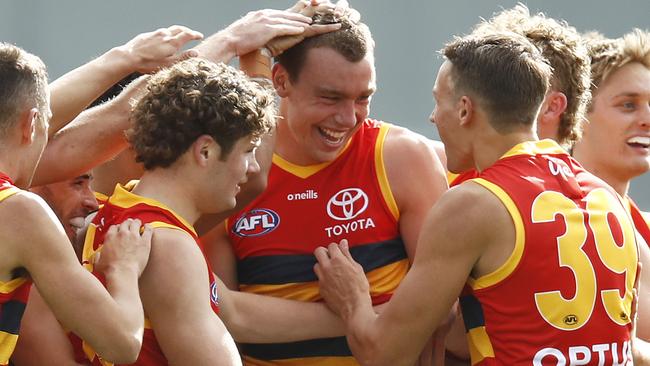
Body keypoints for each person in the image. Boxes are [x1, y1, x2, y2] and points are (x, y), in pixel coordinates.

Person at [314, 31, 644, 365]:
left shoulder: (475, 203)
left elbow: (384, 354)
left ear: (463, 110)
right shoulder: (607, 197)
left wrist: (353, 299)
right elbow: (622, 341)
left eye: (437, 101)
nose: (432, 116)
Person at [206, 9, 448, 365]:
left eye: (363, 98)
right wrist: (355, 311)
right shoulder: (231, 173)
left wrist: (359, 310)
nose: (348, 118)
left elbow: (443, 311)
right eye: (330, 98)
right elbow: (221, 317)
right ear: (281, 81)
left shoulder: (403, 158)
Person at [0, 42, 152, 364]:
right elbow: (122, 344)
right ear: (31, 124)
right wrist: (123, 267)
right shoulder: (18, 211)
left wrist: (123, 59)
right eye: (48, 125)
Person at [446, 4, 591, 188]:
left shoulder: (595, 198)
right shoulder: (444, 174)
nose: (488, 93)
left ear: (552, 106)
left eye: (521, 81)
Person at [572, 29, 650, 341]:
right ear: (577, 117)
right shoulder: (557, 225)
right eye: (628, 105)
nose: (647, 119)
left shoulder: (641, 224)